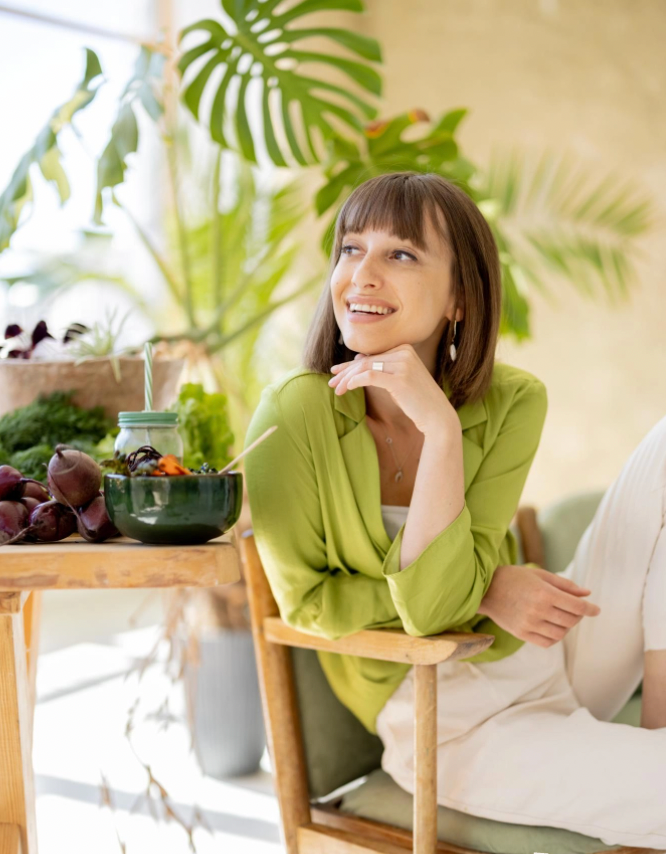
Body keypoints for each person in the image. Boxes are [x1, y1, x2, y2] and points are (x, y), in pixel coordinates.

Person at [243, 171, 666, 848]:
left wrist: (439, 415)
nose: (363, 275)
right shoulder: (293, 414)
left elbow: (462, 581)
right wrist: (441, 435)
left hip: (551, 653)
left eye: (401, 254)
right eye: (351, 249)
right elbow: (319, 605)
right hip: (451, 724)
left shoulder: (513, 399)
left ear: (459, 298)